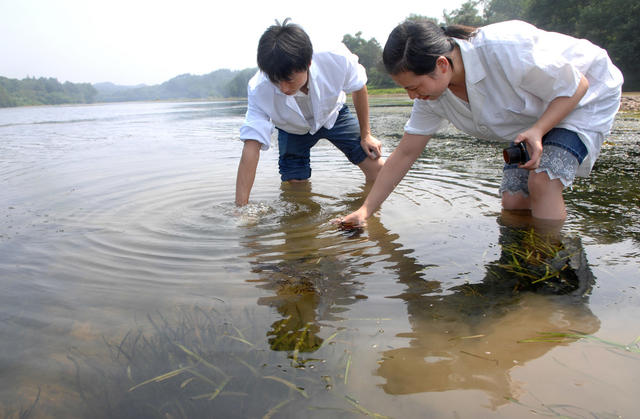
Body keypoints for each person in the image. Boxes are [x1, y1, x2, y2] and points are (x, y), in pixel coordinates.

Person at [340, 19, 622, 226]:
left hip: (584, 97)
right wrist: (366, 210)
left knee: (543, 181)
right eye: (406, 89)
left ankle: (549, 270)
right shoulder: (433, 96)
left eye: (415, 86)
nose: (413, 96)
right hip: (532, 114)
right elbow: (405, 153)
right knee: (513, 199)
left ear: (441, 65)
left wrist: (538, 130)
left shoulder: (505, 49)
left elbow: (577, 85)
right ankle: (516, 267)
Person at [235, 19, 384, 206]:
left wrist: (366, 134)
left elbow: (358, 86)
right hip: (292, 129)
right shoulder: (259, 88)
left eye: (289, 80)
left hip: (333, 115)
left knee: (378, 169)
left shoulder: (335, 57)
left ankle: (370, 215)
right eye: (276, 80)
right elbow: (251, 146)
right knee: (295, 188)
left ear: (308, 63)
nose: (283, 88)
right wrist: (241, 208)